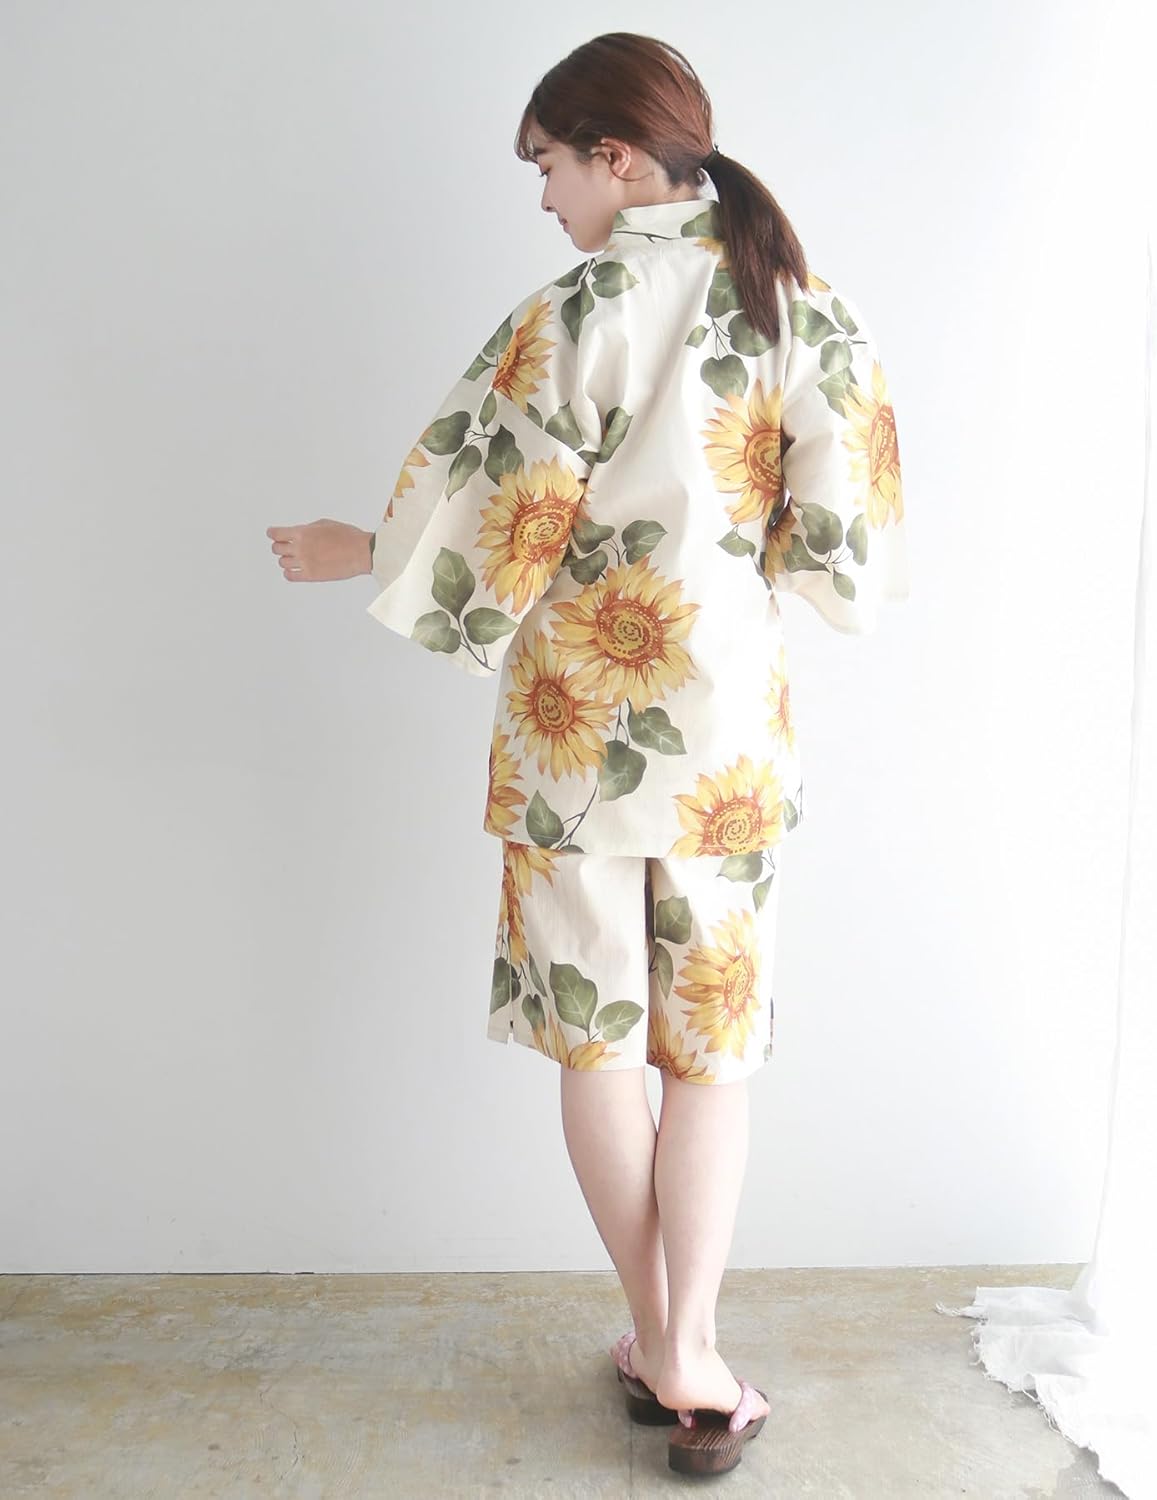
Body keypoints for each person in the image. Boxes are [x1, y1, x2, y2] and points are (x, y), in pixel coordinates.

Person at [266, 30, 908, 1476]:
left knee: (599, 1044)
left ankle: (663, 1337)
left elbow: (497, 520)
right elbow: (842, 550)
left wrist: (360, 548)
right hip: (729, 741)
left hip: (575, 739)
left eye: (550, 166)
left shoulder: (574, 311)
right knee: (712, 1059)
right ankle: (691, 1350)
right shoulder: (803, 306)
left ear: (615, 157)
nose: (546, 197)